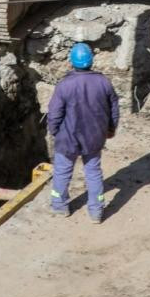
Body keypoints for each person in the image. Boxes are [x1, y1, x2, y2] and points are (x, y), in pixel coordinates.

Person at [47, 43, 120, 224]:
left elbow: (54, 113)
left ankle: (60, 205)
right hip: (94, 136)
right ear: (91, 60)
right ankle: (96, 211)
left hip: (68, 137)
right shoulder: (103, 82)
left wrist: (54, 131)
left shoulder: (65, 85)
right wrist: (110, 129)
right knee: (93, 172)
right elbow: (114, 109)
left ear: (71, 62)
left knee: (62, 172)